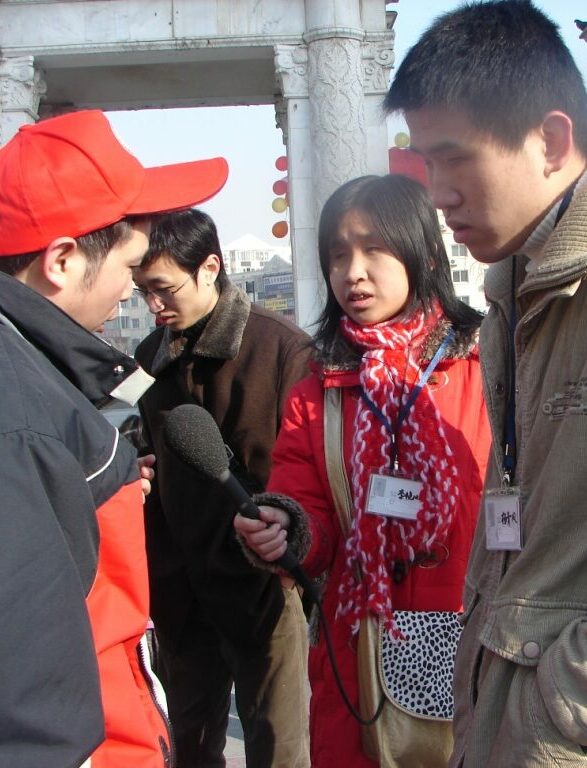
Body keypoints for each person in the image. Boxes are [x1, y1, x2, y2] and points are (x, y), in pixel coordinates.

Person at [384, 2, 587, 766]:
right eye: (424, 162)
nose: (435, 192)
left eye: (454, 158)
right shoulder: (512, 284)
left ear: (550, 140)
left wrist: (559, 707)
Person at [235, 174, 490, 768]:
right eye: (337, 254)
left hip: (477, 632)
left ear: (425, 253)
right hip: (362, 646)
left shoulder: (486, 360)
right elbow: (306, 506)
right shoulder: (320, 386)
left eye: (374, 248)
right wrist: (283, 528)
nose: (353, 271)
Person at [0, 109, 228, 768]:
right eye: (130, 269)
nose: (132, 290)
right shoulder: (20, 422)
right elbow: (31, 720)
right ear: (64, 259)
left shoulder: (35, 374)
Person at [133, 208, 312, 768]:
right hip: (180, 586)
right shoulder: (148, 358)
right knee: (185, 742)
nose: (153, 307)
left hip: (263, 587)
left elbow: (307, 474)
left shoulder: (281, 348)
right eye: (141, 292)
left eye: (163, 289)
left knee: (277, 745)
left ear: (210, 268)